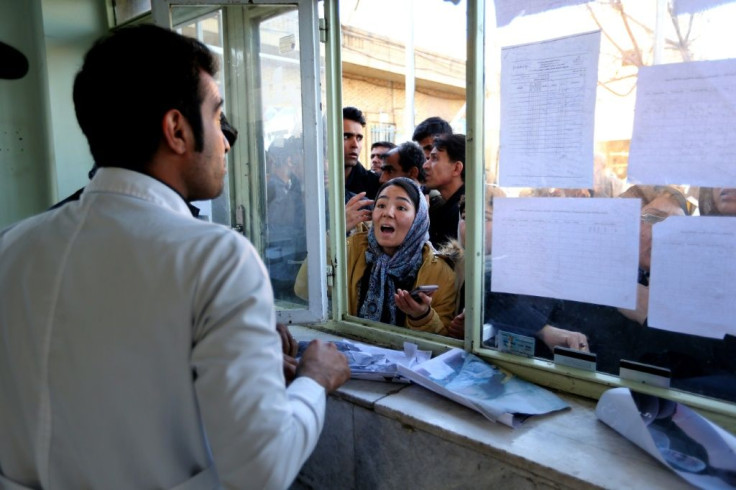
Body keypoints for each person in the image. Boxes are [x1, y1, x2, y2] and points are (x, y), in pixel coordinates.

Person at [0, 24, 350, 489]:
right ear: (177, 130)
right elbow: (261, 471)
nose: (226, 141)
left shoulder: (14, 245)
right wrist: (314, 380)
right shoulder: (217, 258)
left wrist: (244, 357)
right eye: (216, 116)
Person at [446, 191, 589, 355]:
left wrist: (544, 330)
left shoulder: (525, 272)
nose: (472, 226)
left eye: (486, 218)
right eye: (465, 217)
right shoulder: (450, 264)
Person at [346, 177, 457, 334]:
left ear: (419, 219)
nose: (388, 213)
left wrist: (422, 316)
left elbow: (443, 342)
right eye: (381, 205)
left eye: (401, 208)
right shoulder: (352, 249)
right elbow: (304, 289)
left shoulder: (440, 272)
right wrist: (336, 232)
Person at [423, 133, 466, 248]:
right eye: (428, 158)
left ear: (456, 168)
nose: (425, 166)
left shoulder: (463, 213)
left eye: (435, 158)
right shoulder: (445, 206)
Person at [343, 106, 380, 199]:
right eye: (346, 137)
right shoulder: (311, 178)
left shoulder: (375, 184)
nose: (355, 145)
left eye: (359, 138)